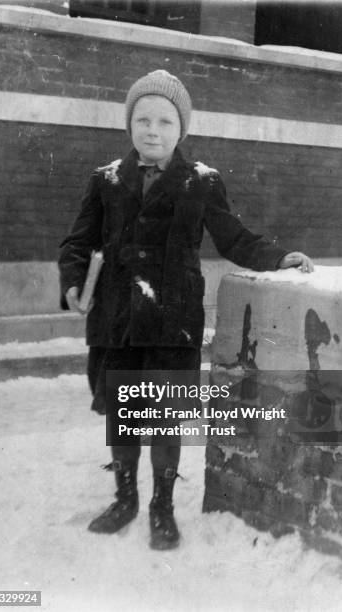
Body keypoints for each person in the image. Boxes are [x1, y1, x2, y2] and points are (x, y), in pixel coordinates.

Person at [58, 70, 314, 551]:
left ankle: (162, 507)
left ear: (182, 130)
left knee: (165, 417)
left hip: (172, 322)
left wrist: (279, 257)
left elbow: (233, 237)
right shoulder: (106, 180)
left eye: (164, 122)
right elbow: (77, 242)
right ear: (130, 124)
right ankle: (126, 498)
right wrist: (73, 283)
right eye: (143, 120)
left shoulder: (202, 182)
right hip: (116, 321)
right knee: (124, 413)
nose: (152, 130)